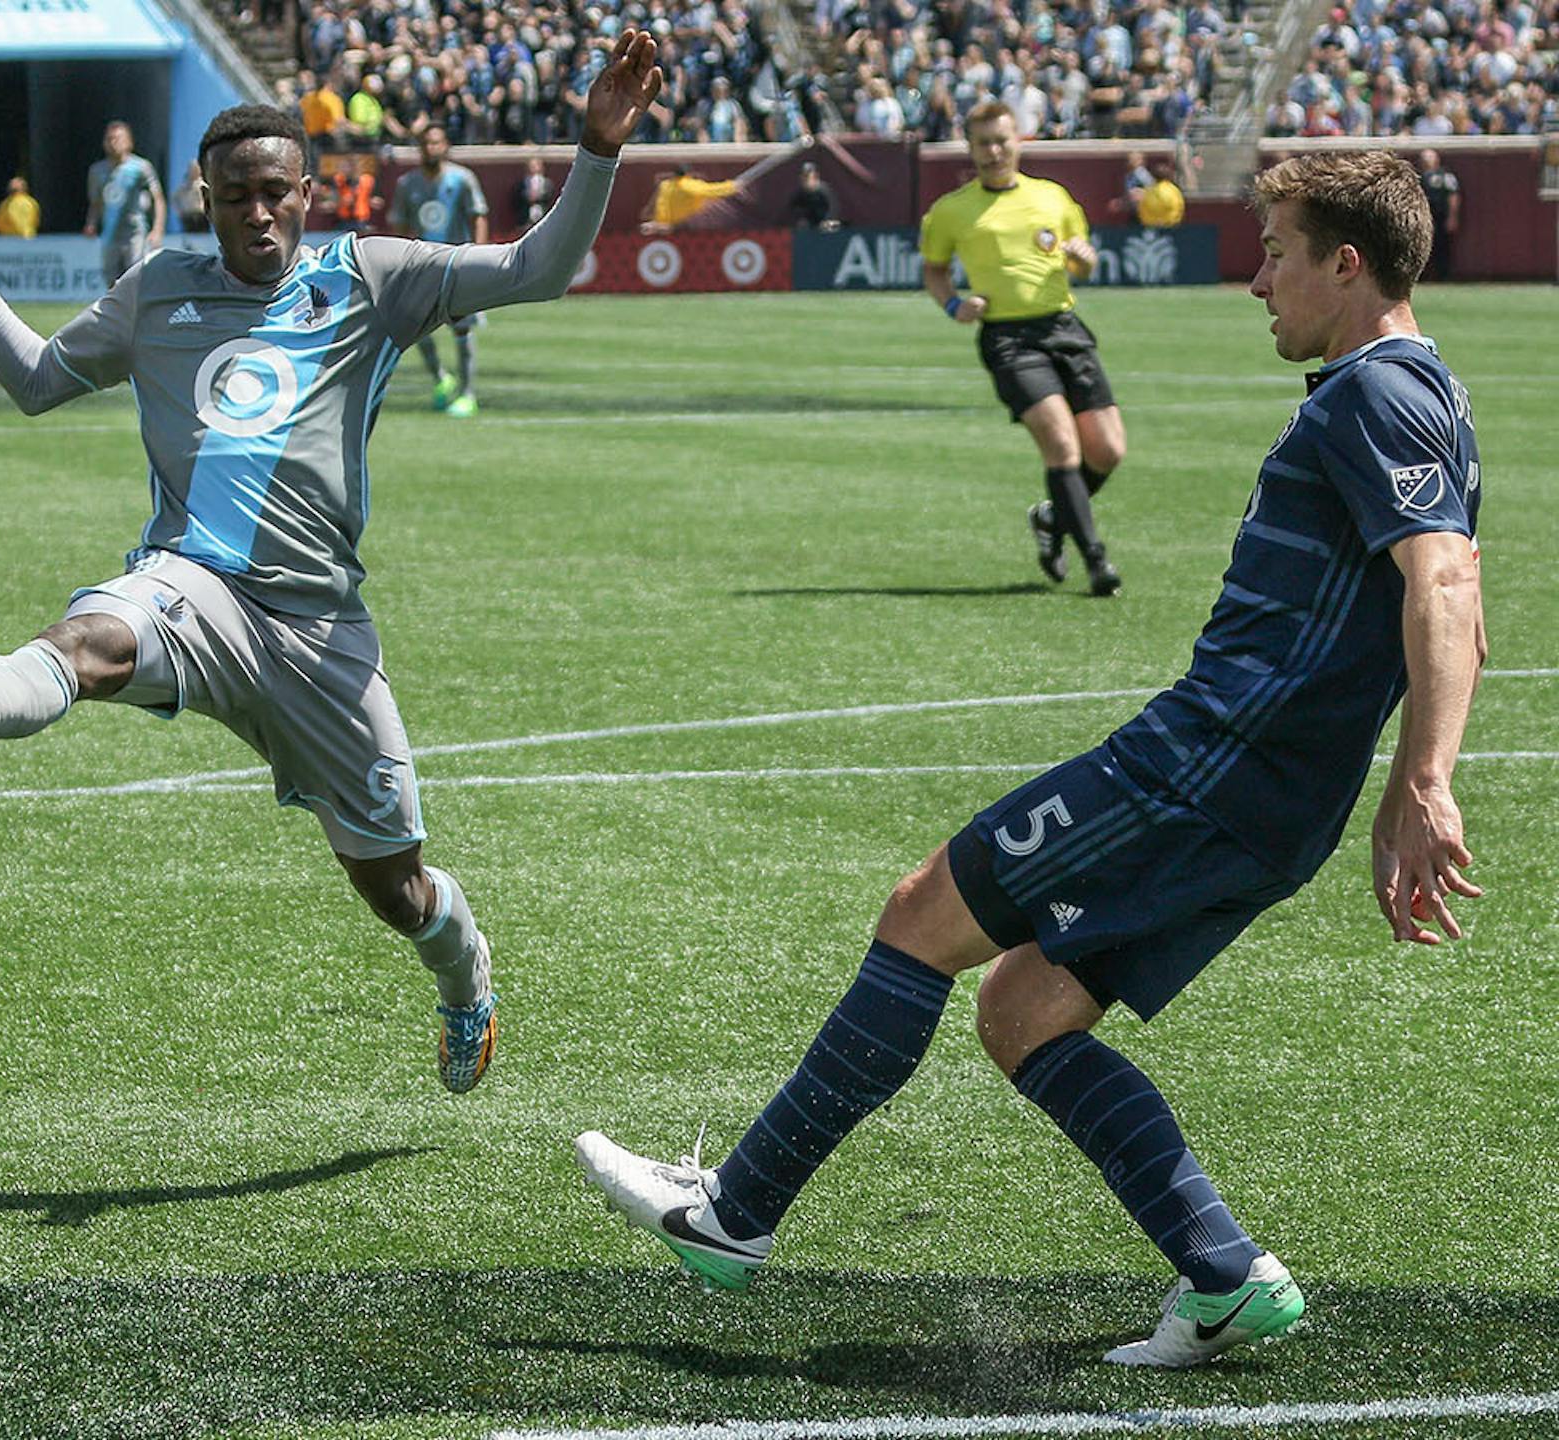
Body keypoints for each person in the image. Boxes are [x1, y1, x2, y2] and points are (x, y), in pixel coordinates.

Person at [577, 148, 1486, 1371]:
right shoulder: (1413, 393)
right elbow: (1446, 598)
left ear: (1346, 262)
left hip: (1207, 768)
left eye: (1276, 252)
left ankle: (732, 1216)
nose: (1257, 280)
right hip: (1271, 797)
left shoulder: (1376, 392)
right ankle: (1223, 1276)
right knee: (1022, 1008)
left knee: (921, 918)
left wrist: (1424, 778)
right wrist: (1393, 780)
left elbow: (1445, 579)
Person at [0, 33, 664, 1096]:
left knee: (393, 886)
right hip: (191, 587)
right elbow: (35, 380)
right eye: (237, 195)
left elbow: (539, 269)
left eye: (277, 195)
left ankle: (463, 972)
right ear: (202, 194)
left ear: (307, 193)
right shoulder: (158, 290)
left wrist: (597, 148)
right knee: (89, 640)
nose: (258, 215)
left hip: (319, 631)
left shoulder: (369, 277)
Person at [921, 100, 1127, 597]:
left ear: (1019, 141)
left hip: (1063, 327)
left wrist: (1082, 259)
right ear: (969, 149)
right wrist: (952, 305)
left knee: (1108, 450)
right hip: (1008, 339)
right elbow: (934, 269)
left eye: (1001, 140)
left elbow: (1084, 262)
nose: (993, 151)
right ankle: (1096, 561)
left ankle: (1052, 518)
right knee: (1061, 444)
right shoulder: (951, 211)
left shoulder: (1053, 198)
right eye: (983, 143)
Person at [390, 123, 489, 417]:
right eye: (426, 143)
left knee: (462, 329)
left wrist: (478, 255)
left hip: (457, 265)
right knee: (414, 328)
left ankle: (468, 394)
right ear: (420, 148)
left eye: (437, 143)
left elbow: (479, 215)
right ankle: (441, 379)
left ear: (445, 146)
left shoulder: (462, 179)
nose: (431, 148)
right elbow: (400, 224)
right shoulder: (407, 184)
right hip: (423, 268)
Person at [83, 121, 165, 287]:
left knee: (135, 280)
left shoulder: (141, 167)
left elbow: (158, 198)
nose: (114, 143)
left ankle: (137, 313)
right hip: (110, 235)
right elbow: (96, 202)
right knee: (112, 284)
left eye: (118, 138)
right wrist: (91, 223)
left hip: (134, 233)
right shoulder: (97, 171)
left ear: (129, 142)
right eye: (110, 139)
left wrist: (157, 229)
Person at [1418, 149, 1460, 279]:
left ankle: (1443, 275)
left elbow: (1453, 196)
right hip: (1424, 217)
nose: (1426, 162)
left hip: (1440, 216)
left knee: (1442, 246)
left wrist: (1452, 216)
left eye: (1428, 158)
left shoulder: (1444, 176)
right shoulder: (1418, 176)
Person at [1135, 157, 1185, 227]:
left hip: (1152, 228)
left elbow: (1142, 210)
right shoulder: (1174, 190)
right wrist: (1168, 222)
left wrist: (1152, 222)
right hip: (1170, 227)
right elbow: (1178, 208)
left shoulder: (1148, 191)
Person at [788, 161, 834, 229]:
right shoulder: (800, 192)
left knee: (833, 226)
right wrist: (802, 218)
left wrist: (827, 219)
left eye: (810, 174)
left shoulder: (824, 189)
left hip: (825, 220)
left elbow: (832, 207)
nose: (807, 177)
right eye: (805, 175)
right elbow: (794, 207)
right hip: (808, 223)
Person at [512, 157, 555, 229]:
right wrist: (526, 197)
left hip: (543, 217)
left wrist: (538, 197)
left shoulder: (547, 183)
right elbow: (515, 200)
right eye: (532, 166)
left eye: (536, 166)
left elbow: (550, 198)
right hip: (525, 219)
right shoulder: (521, 184)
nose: (534, 168)